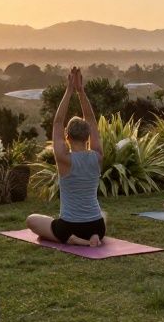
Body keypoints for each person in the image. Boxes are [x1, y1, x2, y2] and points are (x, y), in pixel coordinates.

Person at [26, 67, 106, 246]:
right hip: (96, 225)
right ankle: (94, 236)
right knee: (103, 216)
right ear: (88, 137)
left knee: (32, 219)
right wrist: (81, 91)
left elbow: (57, 122)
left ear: (67, 136)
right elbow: (92, 121)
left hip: (69, 226)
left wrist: (69, 90)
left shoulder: (64, 159)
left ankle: (72, 239)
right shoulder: (97, 156)